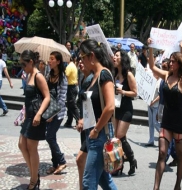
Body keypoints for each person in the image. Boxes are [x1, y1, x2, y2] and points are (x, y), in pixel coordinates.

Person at [147, 38, 182, 190]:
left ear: (179, 63)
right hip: (166, 120)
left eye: (173, 61)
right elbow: (152, 66)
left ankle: (177, 185)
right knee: (162, 153)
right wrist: (151, 47)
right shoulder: (166, 76)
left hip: (179, 123)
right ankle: (156, 187)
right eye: (170, 60)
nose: (170, 63)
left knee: (179, 156)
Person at [78, 39, 117, 190]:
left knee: (88, 183)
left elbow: (110, 106)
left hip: (99, 135)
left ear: (91, 56)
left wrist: (95, 130)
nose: (81, 60)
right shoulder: (94, 76)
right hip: (93, 133)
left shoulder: (104, 74)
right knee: (104, 180)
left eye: (82, 57)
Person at [18, 50, 50, 190]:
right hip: (28, 116)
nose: (22, 67)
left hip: (36, 116)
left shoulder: (38, 76)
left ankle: (33, 180)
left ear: (31, 62)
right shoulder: (29, 75)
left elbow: (47, 97)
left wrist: (39, 114)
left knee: (32, 148)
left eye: (24, 64)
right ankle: (34, 175)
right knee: (21, 145)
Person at [113, 50, 138, 175]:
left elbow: (135, 92)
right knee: (116, 138)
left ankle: (132, 159)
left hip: (126, 109)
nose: (114, 57)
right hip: (116, 108)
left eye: (117, 56)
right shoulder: (115, 74)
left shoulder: (128, 75)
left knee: (120, 135)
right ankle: (120, 164)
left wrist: (123, 92)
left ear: (122, 59)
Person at [45, 51, 68, 175]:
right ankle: (55, 164)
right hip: (48, 110)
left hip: (58, 113)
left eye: (52, 59)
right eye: (49, 58)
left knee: (49, 136)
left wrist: (52, 115)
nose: (49, 61)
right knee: (51, 137)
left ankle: (62, 161)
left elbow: (62, 99)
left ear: (58, 61)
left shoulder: (63, 78)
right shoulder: (48, 74)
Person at [75, 59, 93, 190]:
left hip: (91, 126)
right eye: (79, 60)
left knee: (80, 160)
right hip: (85, 125)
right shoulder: (83, 78)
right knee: (86, 163)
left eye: (83, 60)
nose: (80, 63)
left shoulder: (92, 79)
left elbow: (91, 104)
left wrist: (84, 119)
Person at [146, 68, 161, 147]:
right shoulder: (152, 81)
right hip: (150, 104)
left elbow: (160, 95)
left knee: (155, 123)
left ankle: (163, 134)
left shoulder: (160, 82)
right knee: (151, 123)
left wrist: (153, 102)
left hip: (156, 105)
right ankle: (151, 140)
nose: (154, 74)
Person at [64, 55, 80, 128]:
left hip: (71, 87)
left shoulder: (69, 66)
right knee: (70, 104)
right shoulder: (73, 65)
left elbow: (65, 76)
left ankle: (79, 120)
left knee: (72, 105)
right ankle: (69, 121)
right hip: (73, 87)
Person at [0, 51, 13, 115]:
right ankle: (4, 108)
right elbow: (6, 73)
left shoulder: (2, 62)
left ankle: (5, 108)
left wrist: (10, 82)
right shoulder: (2, 62)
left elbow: (6, 73)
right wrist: (10, 82)